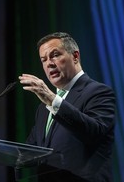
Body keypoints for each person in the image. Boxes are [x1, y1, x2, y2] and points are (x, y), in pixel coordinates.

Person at [19, 32, 115, 182]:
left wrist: (52, 100)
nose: (49, 63)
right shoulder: (43, 108)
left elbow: (93, 132)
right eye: (43, 60)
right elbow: (29, 151)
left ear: (75, 56)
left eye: (55, 55)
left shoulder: (99, 92)